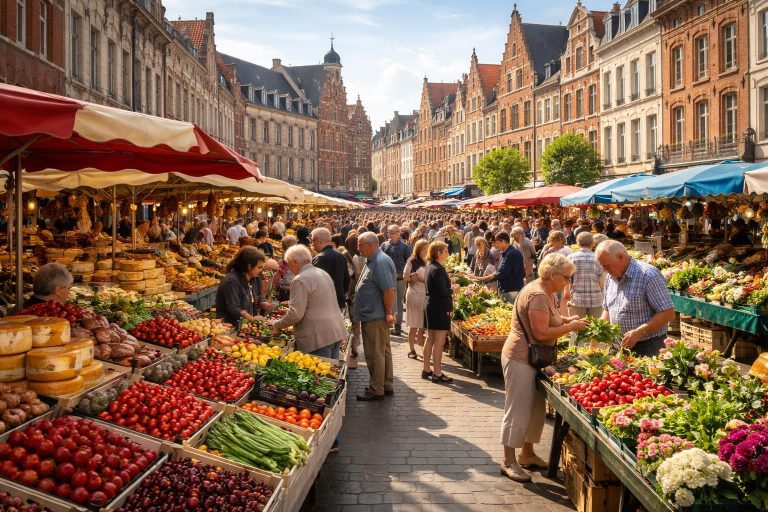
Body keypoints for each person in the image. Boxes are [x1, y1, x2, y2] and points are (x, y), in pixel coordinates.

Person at [500, 253, 588, 482]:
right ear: (552, 275)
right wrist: (571, 328)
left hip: (533, 359)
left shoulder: (546, 291)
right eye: (566, 277)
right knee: (518, 409)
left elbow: (550, 320)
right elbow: (540, 333)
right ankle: (508, 461)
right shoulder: (538, 295)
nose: (567, 282)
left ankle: (527, 454)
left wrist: (567, 321)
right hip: (521, 358)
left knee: (535, 408)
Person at [595, 240, 676, 356]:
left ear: (620, 257)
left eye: (606, 265)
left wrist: (640, 331)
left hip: (648, 346)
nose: (604, 270)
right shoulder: (610, 278)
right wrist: (598, 328)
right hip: (618, 346)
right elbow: (607, 309)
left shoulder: (648, 275)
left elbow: (668, 313)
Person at [270, 245, 346, 358]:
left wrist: (277, 324)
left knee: (318, 373)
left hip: (317, 337)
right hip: (335, 331)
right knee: (329, 371)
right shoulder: (322, 273)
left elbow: (295, 314)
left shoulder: (300, 279)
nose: (288, 268)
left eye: (288, 264)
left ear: (295, 262)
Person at [353, 232, 396, 401]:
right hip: (374, 314)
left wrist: (388, 312)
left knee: (374, 352)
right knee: (382, 351)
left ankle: (376, 387)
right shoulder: (374, 259)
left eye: (360, 245)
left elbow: (388, 290)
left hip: (375, 316)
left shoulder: (379, 262)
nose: (358, 248)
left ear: (370, 244)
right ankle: (385, 384)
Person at [423, 241, 458, 384]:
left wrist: (448, 281)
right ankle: (437, 373)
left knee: (430, 338)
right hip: (438, 307)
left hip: (431, 305)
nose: (447, 253)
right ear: (438, 253)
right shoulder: (436, 268)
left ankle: (426, 369)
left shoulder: (431, 266)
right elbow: (442, 291)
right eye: (445, 251)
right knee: (439, 341)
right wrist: (453, 289)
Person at [215, 246, 272, 327]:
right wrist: (251, 318)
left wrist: (266, 304)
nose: (261, 270)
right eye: (259, 267)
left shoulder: (254, 277)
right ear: (249, 266)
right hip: (230, 327)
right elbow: (233, 309)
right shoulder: (232, 281)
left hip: (245, 326)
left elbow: (259, 295)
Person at [566, 232, 605, 340]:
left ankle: (574, 352)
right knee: (597, 330)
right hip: (596, 299)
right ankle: (596, 352)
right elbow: (602, 281)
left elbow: (567, 278)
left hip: (577, 299)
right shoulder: (598, 258)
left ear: (577, 243)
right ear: (592, 244)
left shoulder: (571, 257)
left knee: (576, 329)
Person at [474, 232, 525, 304]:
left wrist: (480, 278)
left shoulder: (512, 254)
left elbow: (502, 273)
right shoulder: (504, 253)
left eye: (497, 243)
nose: (495, 245)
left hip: (511, 290)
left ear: (503, 241)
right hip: (506, 289)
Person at [381, 224, 411, 336]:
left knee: (398, 302)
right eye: (390, 232)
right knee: (388, 301)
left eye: (394, 232)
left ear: (399, 233)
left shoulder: (405, 247)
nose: (392, 234)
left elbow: (409, 262)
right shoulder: (384, 246)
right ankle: (389, 323)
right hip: (387, 279)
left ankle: (397, 325)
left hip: (400, 279)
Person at [311, 228, 350, 312]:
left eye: (313, 240)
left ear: (318, 240)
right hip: (339, 301)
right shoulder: (340, 255)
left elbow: (315, 283)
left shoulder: (320, 257)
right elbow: (346, 280)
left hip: (324, 304)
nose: (312, 244)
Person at [403, 239, 428, 360]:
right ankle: (412, 349)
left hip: (424, 294)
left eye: (427, 248)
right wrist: (414, 278)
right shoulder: (412, 260)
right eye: (424, 248)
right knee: (414, 324)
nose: (426, 250)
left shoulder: (427, 260)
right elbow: (405, 276)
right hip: (414, 294)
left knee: (422, 325)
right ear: (419, 249)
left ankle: (423, 349)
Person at [344, 234, 364, 369]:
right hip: (357, 295)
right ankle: (355, 347)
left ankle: (352, 347)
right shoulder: (360, 258)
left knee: (351, 321)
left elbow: (355, 278)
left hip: (352, 294)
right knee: (355, 323)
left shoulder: (352, 258)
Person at [271, 235, 298, 302]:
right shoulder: (298, 257)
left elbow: (277, 276)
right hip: (293, 287)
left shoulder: (282, 259)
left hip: (285, 287)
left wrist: (273, 291)